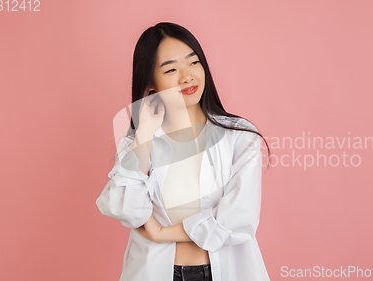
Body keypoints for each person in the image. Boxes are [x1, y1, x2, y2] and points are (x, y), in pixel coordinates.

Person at [95, 22, 272, 281]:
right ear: (150, 83)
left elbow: (238, 218)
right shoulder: (140, 142)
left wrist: (161, 233)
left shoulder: (239, 136)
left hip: (226, 272)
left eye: (193, 62)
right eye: (170, 69)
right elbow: (127, 209)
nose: (187, 76)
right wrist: (143, 135)